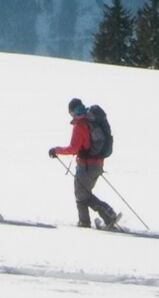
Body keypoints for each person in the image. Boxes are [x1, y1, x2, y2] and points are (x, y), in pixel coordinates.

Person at [48, 96, 118, 229]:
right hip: (98, 164)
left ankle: (105, 215)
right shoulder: (91, 120)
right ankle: (87, 220)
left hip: (86, 166)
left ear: (72, 112)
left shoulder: (80, 125)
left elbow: (73, 148)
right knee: (83, 194)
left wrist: (56, 150)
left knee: (82, 195)